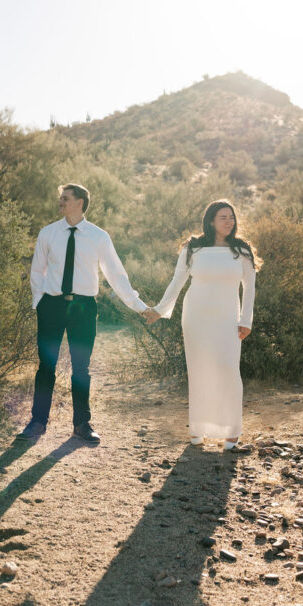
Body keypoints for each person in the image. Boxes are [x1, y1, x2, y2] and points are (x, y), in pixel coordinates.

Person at [19, 183, 152, 443]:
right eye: (60, 198)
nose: (60, 201)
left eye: (65, 198)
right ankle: (37, 422)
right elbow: (37, 270)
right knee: (46, 365)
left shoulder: (98, 236)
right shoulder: (48, 233)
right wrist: (40, 302)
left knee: (81, 367)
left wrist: (138, 305)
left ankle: (82, 424)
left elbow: (116, 274)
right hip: (52, 306)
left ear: (80, 202)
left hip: (83, 307)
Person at [145, 200, 259, 450]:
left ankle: (231, 431)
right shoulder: (193, 248)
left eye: (231, 217)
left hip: (229, 318)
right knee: (199, 370)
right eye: (223, 217)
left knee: (228, 369)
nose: (229, 221)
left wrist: (246, 320)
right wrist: (159, 310)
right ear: (210, 221)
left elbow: (249, 287)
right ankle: (199, 428)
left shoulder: (242, 250)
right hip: (196, 316)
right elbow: (177, 282)